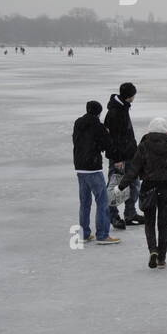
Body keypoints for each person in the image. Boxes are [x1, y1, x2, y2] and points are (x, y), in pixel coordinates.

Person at [118, 117, 167, 269]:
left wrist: (121, 186)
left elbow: (133, 169)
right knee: (163, 224)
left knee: (150, 223)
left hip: (149, 188)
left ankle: (153, 250)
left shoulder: (144, 146)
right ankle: (162, 258)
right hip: (166, 189)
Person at [73, 100, 119, 245]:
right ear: (99, 112)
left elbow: (78, 141)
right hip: (93, 167)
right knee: (102, 201)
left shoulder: (78, 123)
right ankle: (103, 234)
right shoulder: (98, 126)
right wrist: (107, 134)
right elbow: (106, 145)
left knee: (85, 202)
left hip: (80, 167)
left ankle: (84, 234)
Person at [104, 82, 144, 229]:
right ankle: (113, 215)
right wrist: (117, 159)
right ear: (129, 96)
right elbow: (113, 138)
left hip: (129, 154)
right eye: (133, 94)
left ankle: (130, 214)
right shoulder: (116, 112)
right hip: (119, 158)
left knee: (134, 184)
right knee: (115, 186)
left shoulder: (122, 108)